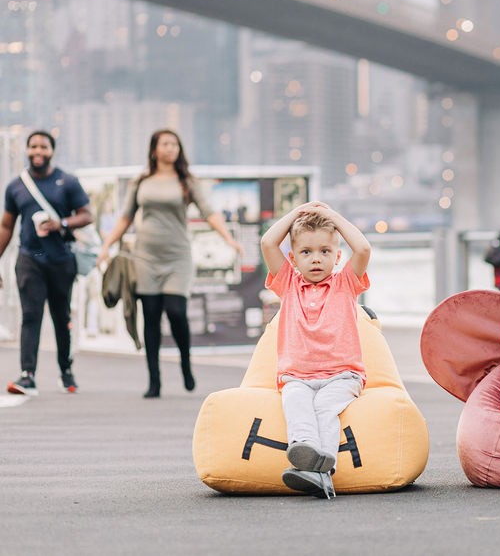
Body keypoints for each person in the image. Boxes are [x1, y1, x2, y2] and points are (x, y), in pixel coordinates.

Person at [97, 129, 243, 398]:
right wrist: (106, 247)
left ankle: (185, 365)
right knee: (150, 316)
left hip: (177, 257)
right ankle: (154, 381)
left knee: (176, 312)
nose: (171, 148)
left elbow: (209, 212)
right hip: (145, 258)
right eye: (165, 143)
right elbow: (125, 218)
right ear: (154, 149)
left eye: (175, 143)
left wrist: (229, 240)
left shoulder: (186, 181)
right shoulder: (141, 181)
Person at [260, 201, 371, 500]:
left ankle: (321, 471)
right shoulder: (289, 284)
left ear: (337, 256)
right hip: (297, 375)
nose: (316, 259)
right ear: (293, 258)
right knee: (296, 403)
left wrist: (334, 216)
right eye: (306, 253)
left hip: (343, 376)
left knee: (324, 408)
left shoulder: (346, 283)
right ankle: (308, 459)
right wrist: (296, 214)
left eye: (324, 251)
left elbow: (362, 249)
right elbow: (268, 242)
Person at [2, 131, 94, 396]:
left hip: (61, 260)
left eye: (43, 146)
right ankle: (27, 376)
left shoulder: (68, 182)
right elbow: (6, 226)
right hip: (30, 258)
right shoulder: (16, 186)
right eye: (33, 146)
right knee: (30, 316)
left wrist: (61, 223)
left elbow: (87, 215)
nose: (37, 151)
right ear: (27, 150)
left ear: (52, 150)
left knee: (61, 316)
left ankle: (65, 370)